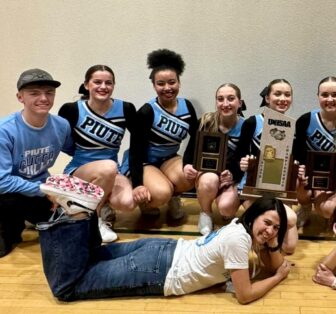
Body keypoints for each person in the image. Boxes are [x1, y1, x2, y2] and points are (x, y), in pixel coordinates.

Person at [37, 176, 292, 304]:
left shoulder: (239, 226)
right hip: (161, 270)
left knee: (91, 258)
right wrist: (278, 278)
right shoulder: (239, 241)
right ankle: (78, 213)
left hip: (164, 250)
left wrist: (272, 241)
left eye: (276, 228)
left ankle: (86, 213)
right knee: (66, 289)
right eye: (267, 223)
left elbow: (271, 261)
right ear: (254, 216)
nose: (270, 231)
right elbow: (245, 295)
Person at [58, 65, 136, 243]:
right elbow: (61, 142)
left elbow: (138, 145)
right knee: (108, 167)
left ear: (114, 85)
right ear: (86, 85)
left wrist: (127, 169)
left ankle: (97, 204)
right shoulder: (72, 109)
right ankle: (96, 220)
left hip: (111, 170)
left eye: (108, 83)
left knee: (127, 203)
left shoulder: (125, 109)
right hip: (79, 169)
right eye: (97, 82)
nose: (103, 86)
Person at [0, 69, 73, 257]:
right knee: (4, 246)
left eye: (49, 92)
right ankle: (11, 228)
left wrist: (66, 186)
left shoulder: (61, 125)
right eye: (34, 93)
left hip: (40, 191)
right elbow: (2, 181)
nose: (43, 98)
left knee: (69, 233)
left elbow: (77, 153)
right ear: (20, 97)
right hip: (8, 195)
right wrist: (46, 191)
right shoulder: (5, 131)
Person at [126, 49, 197, 219]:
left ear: (179, 83)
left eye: (172, 82)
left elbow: (196, 138)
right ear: (154, 86)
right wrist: (137, 184)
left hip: (169, 158)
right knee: (161, 193)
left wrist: (188, 163)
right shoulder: (147, 111)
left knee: (193, 175)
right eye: (161, 83)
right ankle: (147, 201)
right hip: (145, 162)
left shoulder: (186, 106)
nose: (167, 88)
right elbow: (135, 151)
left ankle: (174, 197)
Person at [235, 79, 298, 254]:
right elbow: (239, 154)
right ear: (268, 98)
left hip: (279, 188)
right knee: (288, 220)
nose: (282, 98)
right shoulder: (253, 122)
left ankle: (260, 228)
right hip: (253, 188)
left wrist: (298, 169)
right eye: (277, 94)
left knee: (290, 247)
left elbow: (295, 158)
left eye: (287, 94)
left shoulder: (293, 125)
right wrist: (243, 162)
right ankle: (249, 229)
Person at [182, 83, 246, 235]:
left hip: (232, 177)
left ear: (240, 103)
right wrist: (186, 166)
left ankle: (222, 200)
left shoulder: (247, 126)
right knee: (209, 180)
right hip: (208, 173)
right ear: (216, 102)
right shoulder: (205, 122)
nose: (225, 104)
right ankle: (205, 213)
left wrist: (233, 175)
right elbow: (190, 151)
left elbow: (246, 158)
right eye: (220, 99)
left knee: (227, 210)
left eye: (231, 99)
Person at [293, 76, 336, 224]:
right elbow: (298, 152)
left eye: (335, 95)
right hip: (310, 174)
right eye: (324, 95)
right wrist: (301, 170)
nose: (330, 99)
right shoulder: (305, 120)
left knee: (327, 210)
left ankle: (333, 210)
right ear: (318, 96)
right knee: (295, 181)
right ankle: (305, 207)